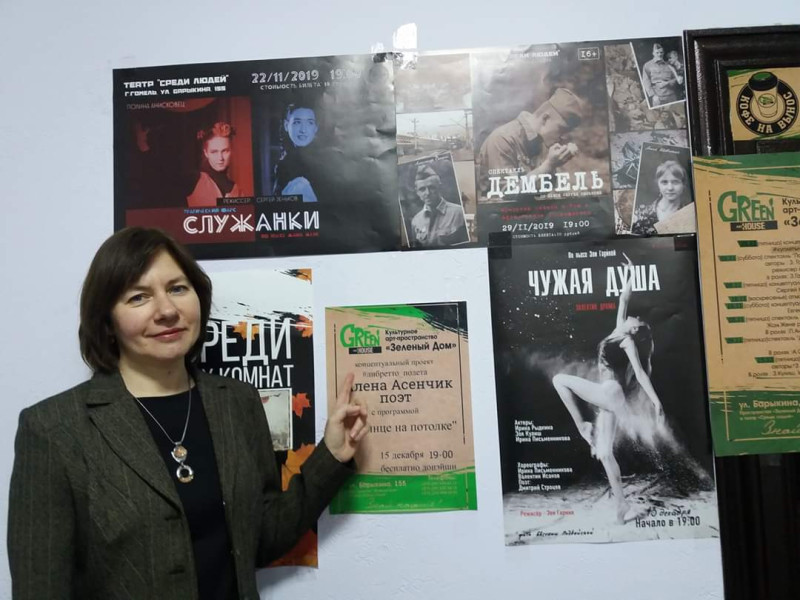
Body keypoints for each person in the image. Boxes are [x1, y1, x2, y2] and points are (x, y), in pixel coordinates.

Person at [7, 227, 367, 599]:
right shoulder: (53, 429)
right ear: (107, 321)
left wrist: (331, 455)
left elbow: (261, 539)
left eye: (178, 288)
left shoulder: (238, 402)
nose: (167, 311)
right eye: (138, 297)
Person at [551, 255, 665, 524]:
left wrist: (656, 402)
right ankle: (621, 505)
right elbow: (624, 299)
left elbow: (639, 372)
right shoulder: (618, 329)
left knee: (558, 379)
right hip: (610, 398)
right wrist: (631, 273)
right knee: (604, 453)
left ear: (634, 329)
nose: (635, 316)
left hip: (610, 392)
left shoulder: (626, 341)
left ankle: (582, 426)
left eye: (637, 319)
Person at [477, 87, 584, 197]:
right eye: (562, 129)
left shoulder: (543, 142)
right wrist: (548, 166)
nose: (564, 137)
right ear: (545, 118)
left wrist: (554, 166)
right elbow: (507, 194)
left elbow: (542, 191)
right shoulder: (502, 139)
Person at [409, 165, 468, 247]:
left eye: (431, 188)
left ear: (440, 187)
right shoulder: (416, 220)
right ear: (417, 192)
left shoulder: (459, 213)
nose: (427, 193)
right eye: (422, 189)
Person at [186, 122, 241, 207]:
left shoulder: (237, 190)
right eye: (214, 152)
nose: (220, 158)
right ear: (206, 153)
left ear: (231, 151)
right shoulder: (193, 180)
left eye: (225, 151)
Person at [272, 104, 320, 202]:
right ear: (286, 125)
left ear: (316, 127)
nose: (303, 130)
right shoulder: (283, 165)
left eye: (310, 123)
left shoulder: (326, 160)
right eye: (297, 122)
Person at [631, 159, 689, 235]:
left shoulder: (689, 214)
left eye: (675, 182)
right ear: (658, 184)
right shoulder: (640, 213)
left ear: (683, 185)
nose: (670, 188)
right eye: (664, 182)